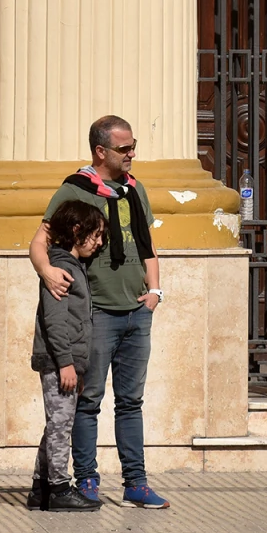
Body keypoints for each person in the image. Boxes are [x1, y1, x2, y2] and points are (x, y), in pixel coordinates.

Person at [29, 115, 170, 509]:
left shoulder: (134, 189)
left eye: (133, 145)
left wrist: (155, 291)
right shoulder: (75, 190)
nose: (132, 154)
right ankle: (86, 480)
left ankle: (135, 483)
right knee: (88, 401)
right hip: (99, 315)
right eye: (124, 148)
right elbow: (39, 241)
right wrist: (47, 271)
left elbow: (147, 243)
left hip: (137, 312)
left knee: (131, 402)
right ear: (100, 151)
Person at [26, 201, 108, 512]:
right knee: (60, 425)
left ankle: (41, 489)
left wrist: (78, 365)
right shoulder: (59, 268)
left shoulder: (73, 267)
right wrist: (66, 363)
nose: (99, 242)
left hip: (69, 362)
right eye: (96, 235)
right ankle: (60, 490)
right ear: (76, 230)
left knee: (57, 424)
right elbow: (55, 320)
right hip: (58, 361)